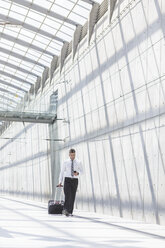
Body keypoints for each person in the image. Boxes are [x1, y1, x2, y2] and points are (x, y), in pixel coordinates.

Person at [57, 148, 83, 216]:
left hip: (74, 180)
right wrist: (60, 181)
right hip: (67, 180)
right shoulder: (65, 162)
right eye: (71, 155)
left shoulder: (78, 162)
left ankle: (70, 211)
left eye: (74, 155)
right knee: (67, 195)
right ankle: (65, 210)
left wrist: (78, 173)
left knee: (72, 196)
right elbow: (62, 172)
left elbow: (82, 171)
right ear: (69, 154)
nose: (72, 156)